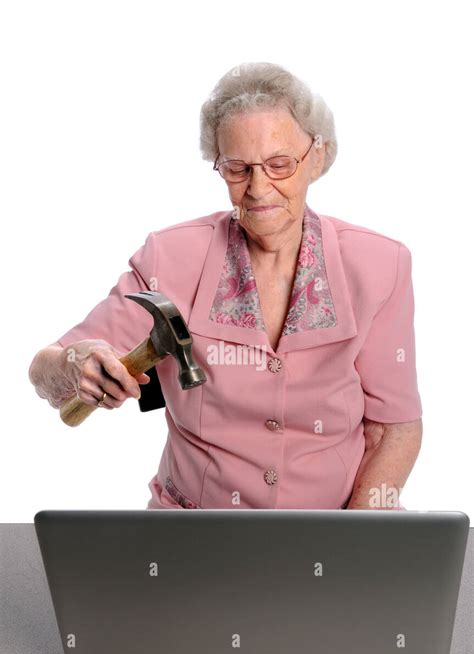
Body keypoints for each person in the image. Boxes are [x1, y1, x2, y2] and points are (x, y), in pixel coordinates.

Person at [28, 61, 423, 511]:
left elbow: (393, 428)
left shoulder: (380, 265)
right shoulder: (171, 257)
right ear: (218, 165)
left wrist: (352, 540)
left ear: (317, 157)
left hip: (328, 534)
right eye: (238, 168)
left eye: (279, 164)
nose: (258, 188)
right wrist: (77, 365)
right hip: (191, 533)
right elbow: (47, 368)